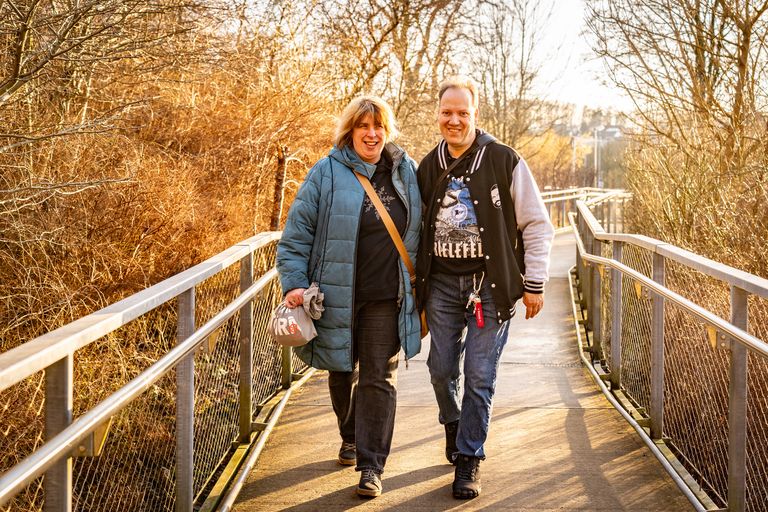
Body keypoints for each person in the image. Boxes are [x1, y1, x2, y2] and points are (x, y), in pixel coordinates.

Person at [415, 76, 554, 499]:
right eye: (447, 112)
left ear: (476, 114)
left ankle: (469, 455)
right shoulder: (428, 166)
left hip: (489, 287)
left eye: (463, 112)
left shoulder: (504, 160)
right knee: (441, 369)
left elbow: (536, 224)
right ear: (438, 115)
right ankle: (454, 423)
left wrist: (534, 283)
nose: (454, 120)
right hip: (441, 285)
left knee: (479, 373)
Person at [276, 95, 422, 498]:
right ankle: (350, 433)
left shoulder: (406, 171)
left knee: (379, 376)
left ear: (387, 130)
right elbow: (296, 234)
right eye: (363, 126)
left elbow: (424, 229)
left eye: (378, 126)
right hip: (335, 295)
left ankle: (372, 465)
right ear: (350, 131)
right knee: (341, 371)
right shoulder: (325, 172)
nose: (371, 134)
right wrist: (294, 282)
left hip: (386, 297)